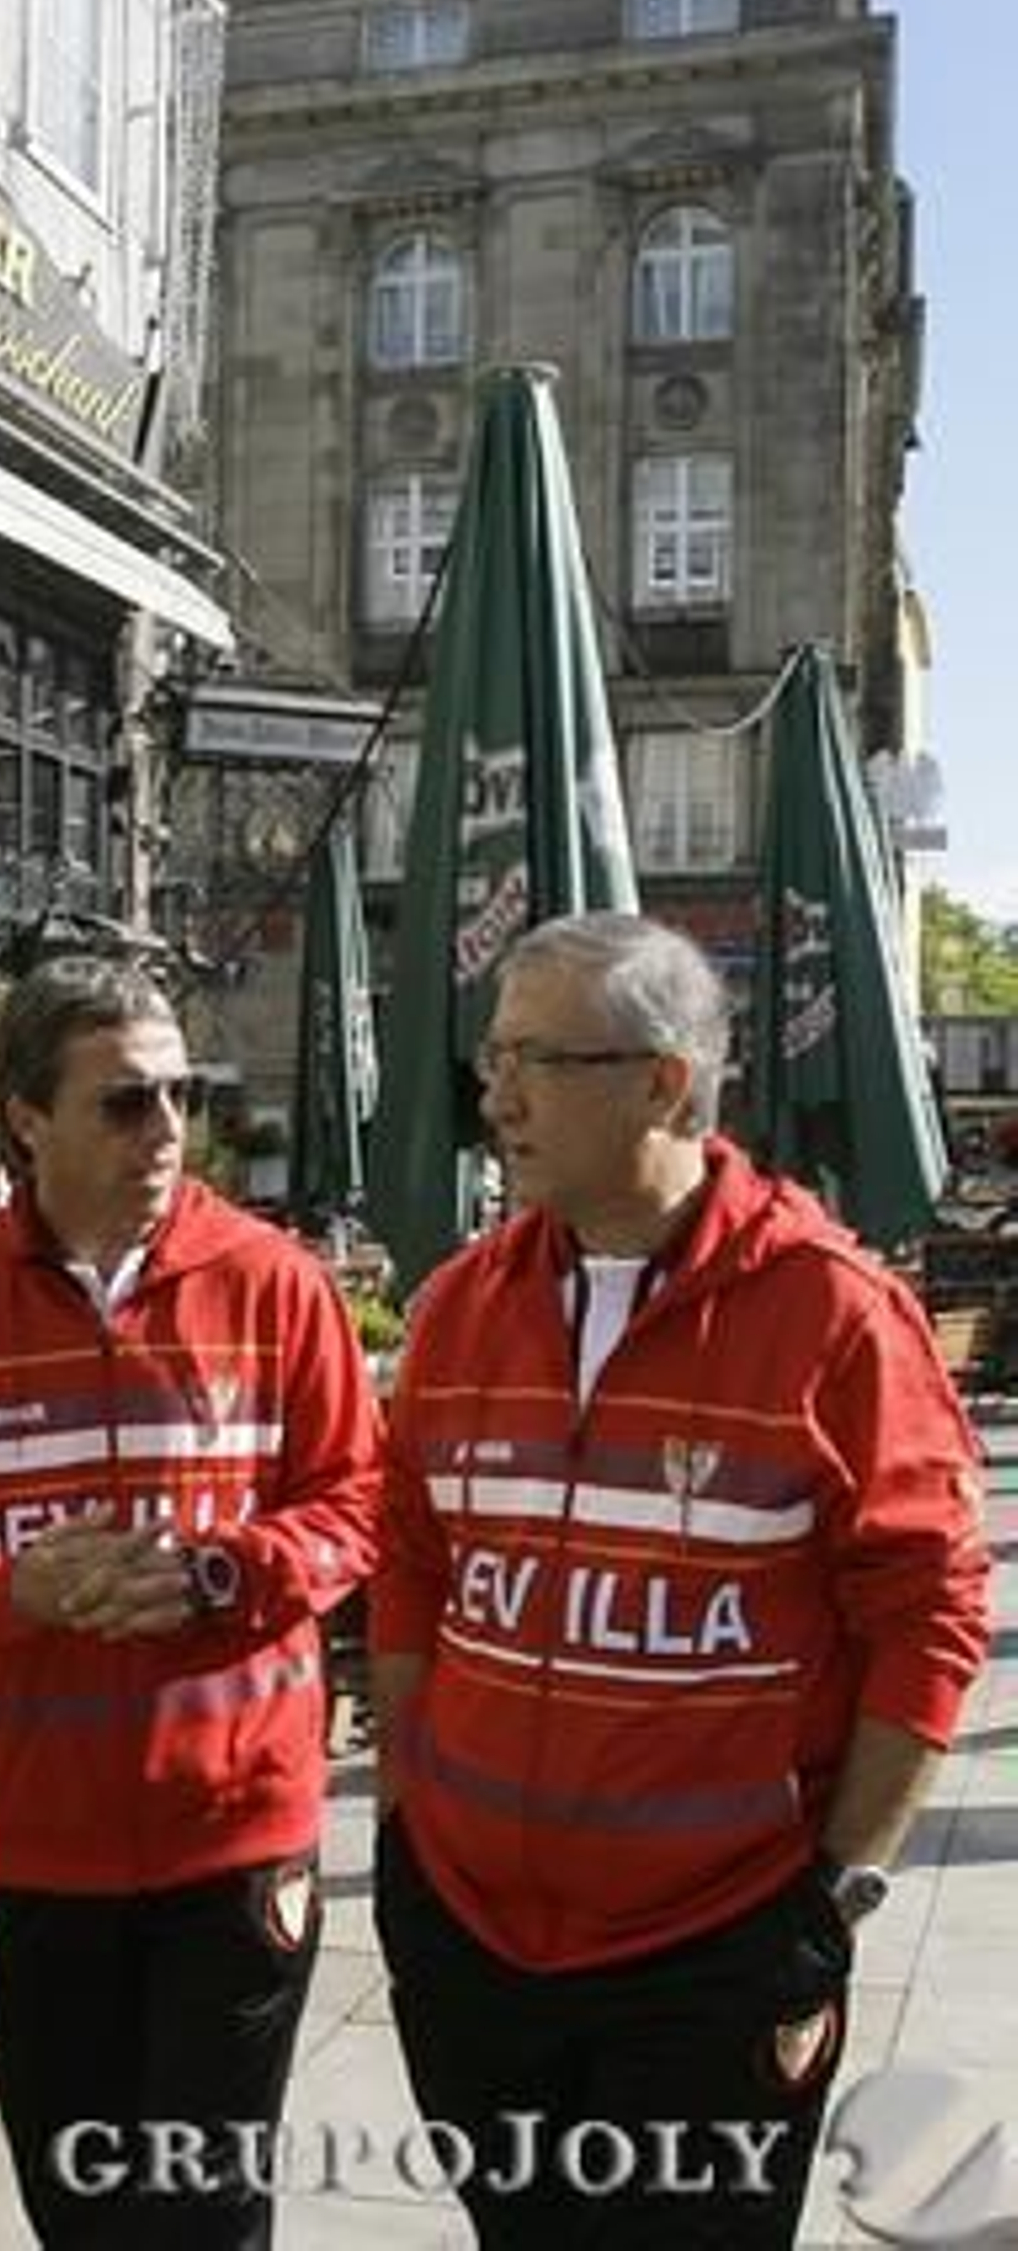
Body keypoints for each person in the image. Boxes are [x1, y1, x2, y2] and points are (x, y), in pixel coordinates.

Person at [371, 913, 991, 2251]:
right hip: (471, 1933)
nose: (498, 1094)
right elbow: (413, 1557)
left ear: (664, 1080)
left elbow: (929, 1613)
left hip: (714, 1946)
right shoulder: (464, 1301)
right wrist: (409, 1812)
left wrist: (834, 1895)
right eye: (492, 1057)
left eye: (537, 1057)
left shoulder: (835, 1311)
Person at [0, 956, 382, 2250]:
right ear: (26, 1116)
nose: (167, 1131)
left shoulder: (274, 1281)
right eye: (124, 1101)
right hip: (35, 1842)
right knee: (80, 2210)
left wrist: (224, 1571)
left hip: (239, 1832)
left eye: (177, 1095)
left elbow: (360, 1502)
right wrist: (11, 1589)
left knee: (201, 2216)